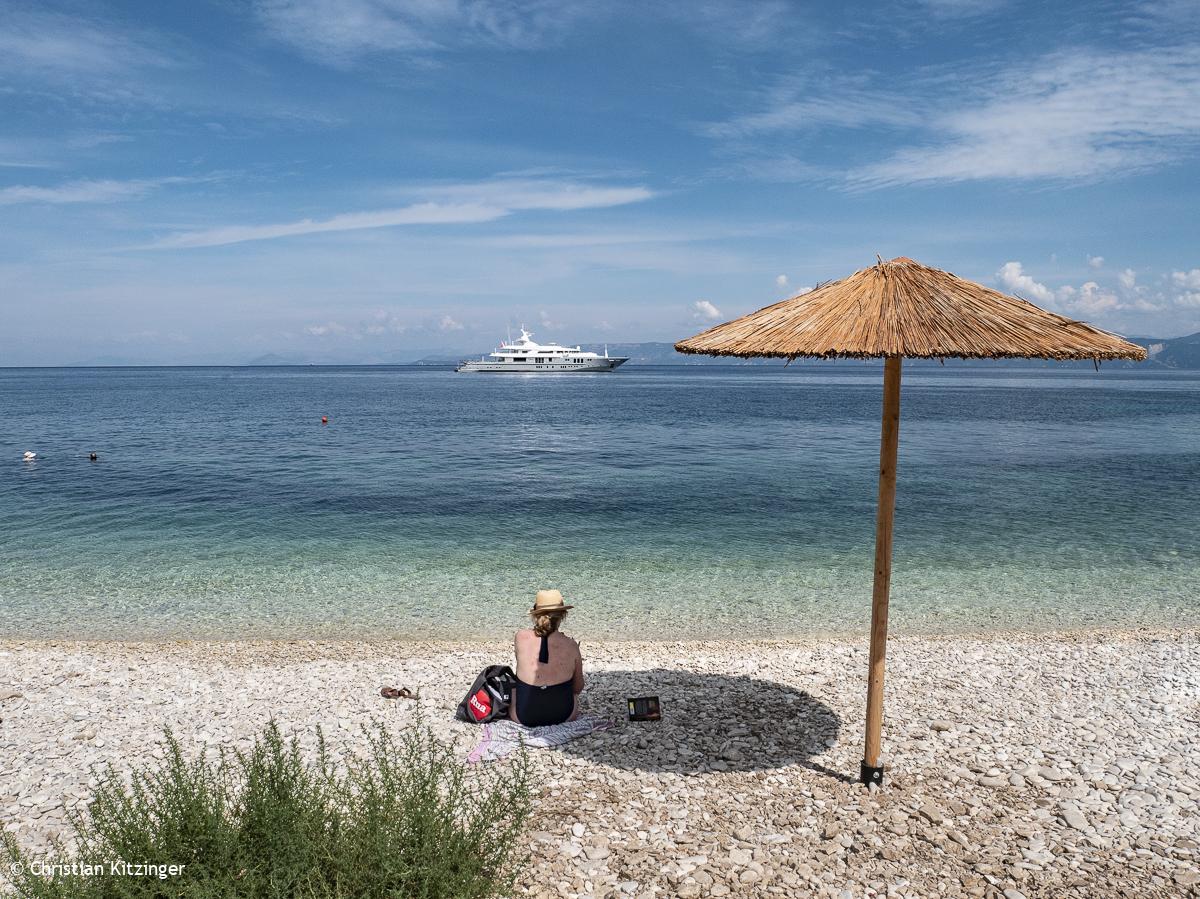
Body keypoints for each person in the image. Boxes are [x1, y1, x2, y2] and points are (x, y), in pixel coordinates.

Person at [510, 589, 584, 727]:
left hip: (523, 716)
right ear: (563, 615)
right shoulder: (571, 645)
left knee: (513, 688)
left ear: (535, 615)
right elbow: (578, 688)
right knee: (573, 696)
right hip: (564, 716)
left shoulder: (520, 637)